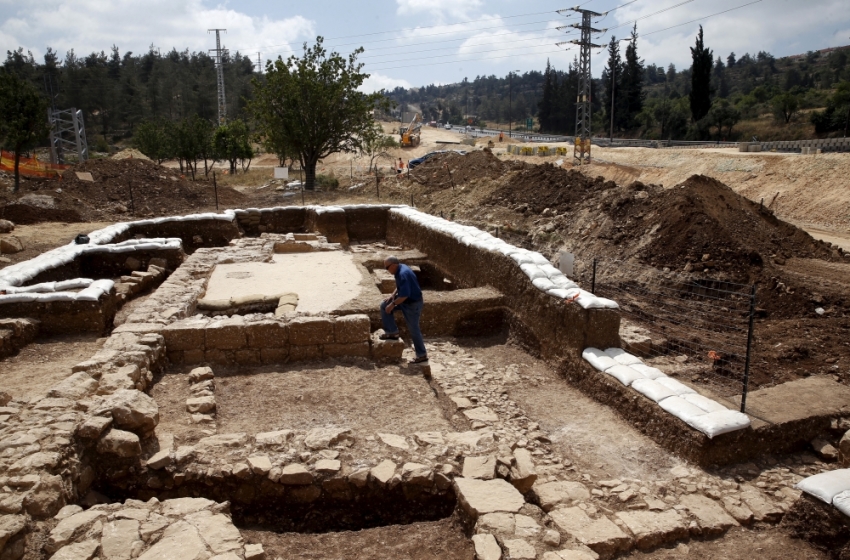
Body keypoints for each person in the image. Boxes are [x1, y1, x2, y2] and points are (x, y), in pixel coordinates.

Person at [380, 256, 428, 363]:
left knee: (413, 329)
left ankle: (422, 355)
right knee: (384, 305)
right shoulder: (400, 269)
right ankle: (392, 332)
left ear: (393, 265)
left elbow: (405, 295)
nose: (386, 270)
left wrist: (392, 304)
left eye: (387, 268)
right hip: (405, 301)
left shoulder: (403, 273)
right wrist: (392, 295)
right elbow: (400, 286)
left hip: (412, 304)